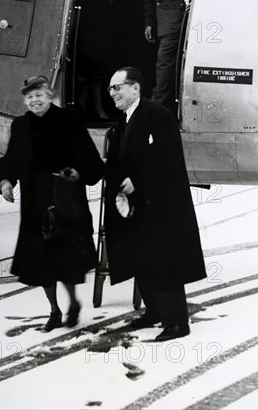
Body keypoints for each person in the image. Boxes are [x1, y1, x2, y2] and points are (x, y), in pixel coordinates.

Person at [0, 76, 104, 331]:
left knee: (67, 260)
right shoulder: (20, 125)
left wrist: (77, 173)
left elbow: (91, 160)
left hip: (66, 202)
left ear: (50, 95)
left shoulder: (69, 120)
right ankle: (54, 310)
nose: (34, 100)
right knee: (42, 263)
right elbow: (10, 160)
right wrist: (5, 181)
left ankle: (73, 301)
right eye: (29, 97)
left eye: (39, 95)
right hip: (35, 204)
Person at [104, 67, 206, 341]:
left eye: (118, 87)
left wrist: (138, 180)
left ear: (135, 88)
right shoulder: (124, 120)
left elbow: (169, 155)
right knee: (143, 259)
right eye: (110, 89)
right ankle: (155, 312)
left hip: (162, 206)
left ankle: (176, 322)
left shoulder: (157, 114)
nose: (113, 93)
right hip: (139, 208)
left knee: (165, 262)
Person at [128, 0, 194, 113]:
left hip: (175, 19)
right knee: (161, 63)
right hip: (160, 20)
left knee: (164, 63)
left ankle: (155, 107)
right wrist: (149, 22)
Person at [76, 0, 116, 120]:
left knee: (95, 71)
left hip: (98, 24)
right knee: (90, 71)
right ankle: (93, 106)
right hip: (88, 25)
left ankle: (87, 103)